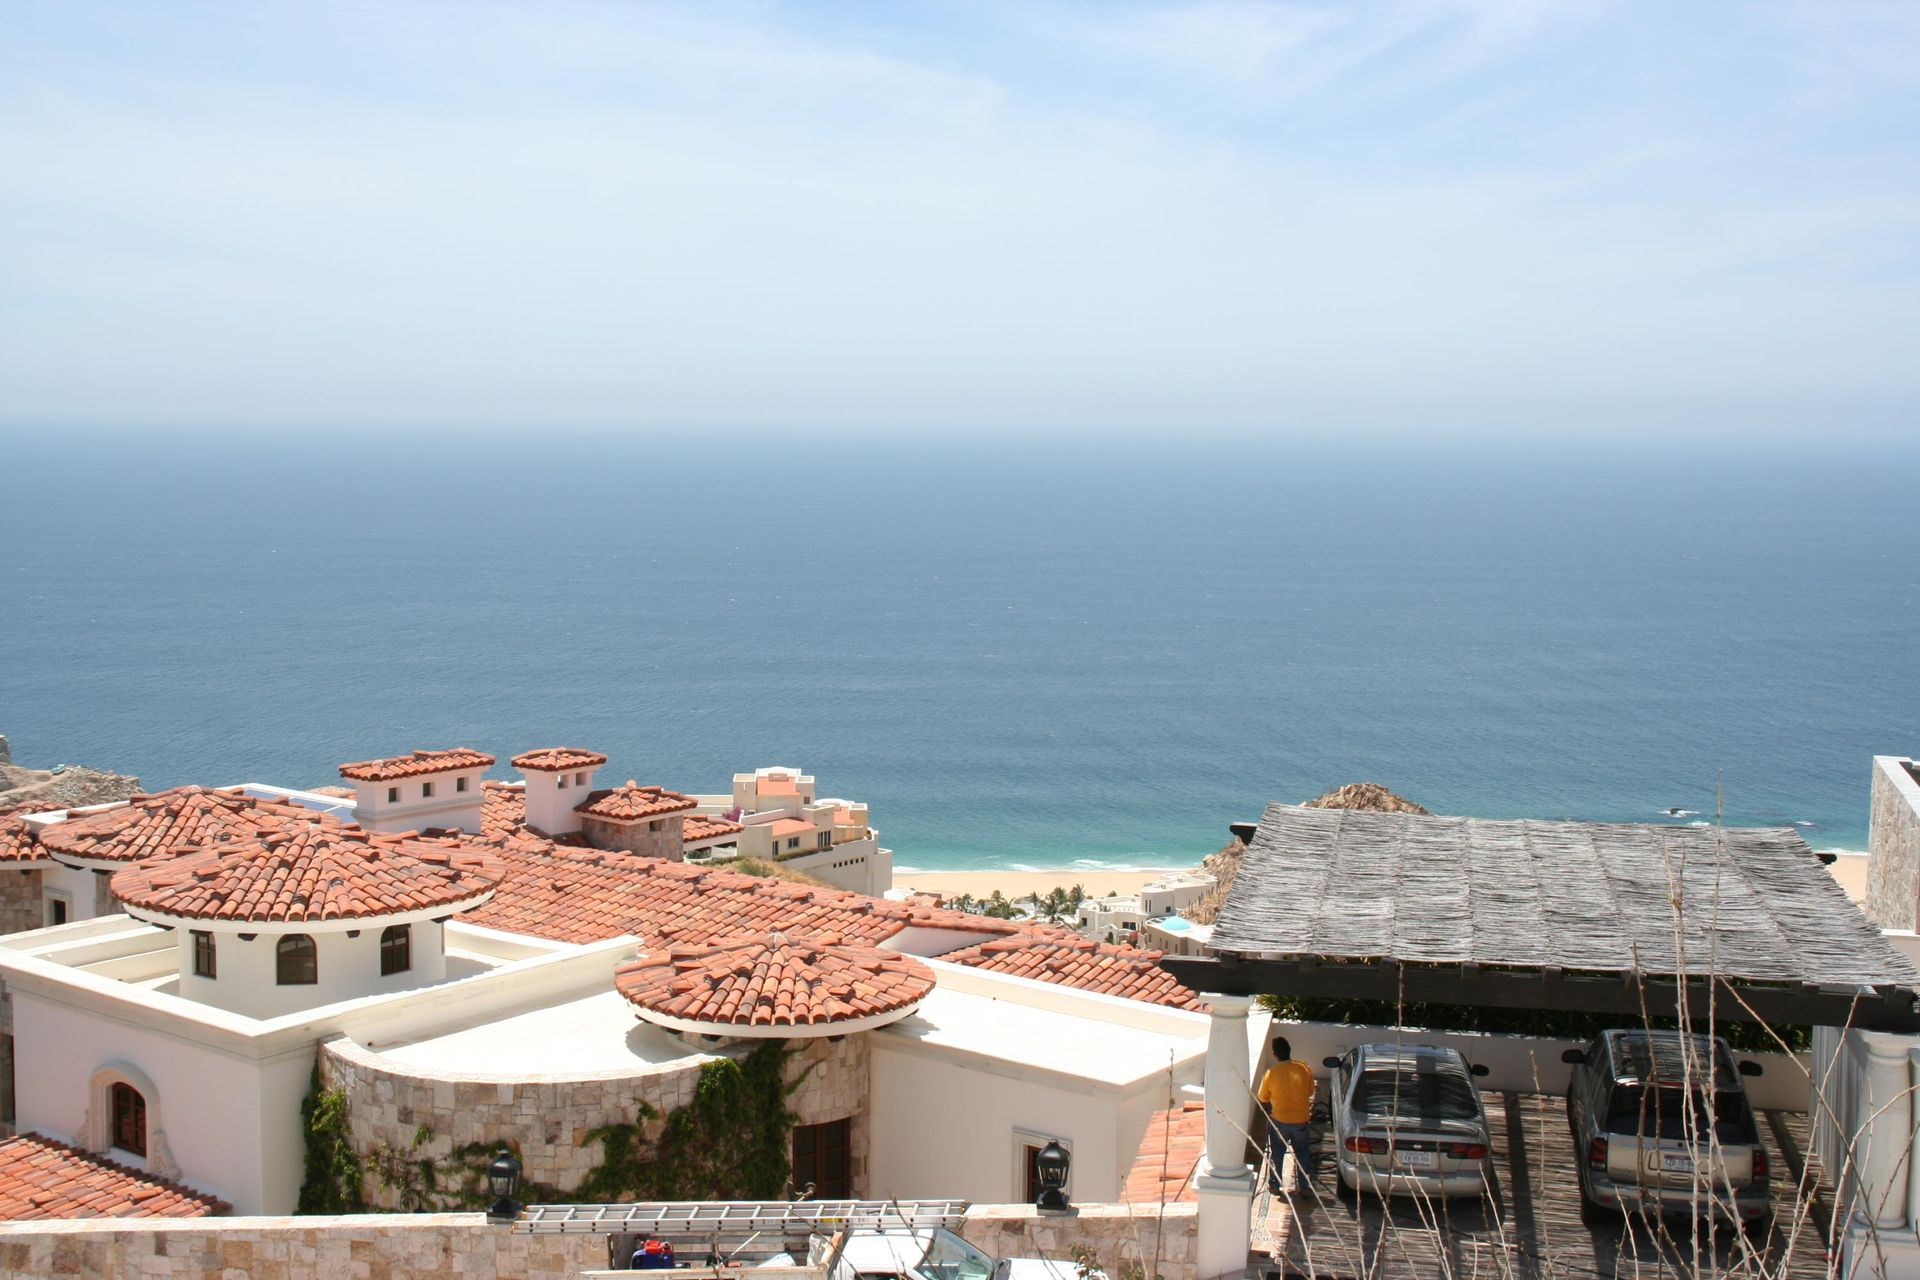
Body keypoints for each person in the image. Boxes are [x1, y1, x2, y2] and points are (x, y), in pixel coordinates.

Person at [1258, 1036, 1315, 1192]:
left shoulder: (1271, 1072)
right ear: (1289, 1051)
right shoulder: (1304, 1068)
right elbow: (1310, 1091)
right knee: (1302, 1152)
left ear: (1275, 1054)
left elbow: (1262, 1097)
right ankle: (1304, 1186)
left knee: (1277, 1152)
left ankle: (1275, 1185)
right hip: (1301, 1120)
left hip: (1279, 1120)